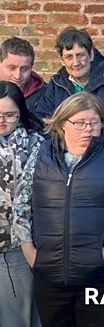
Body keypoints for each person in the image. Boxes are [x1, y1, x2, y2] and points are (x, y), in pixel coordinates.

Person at [13, 91, 104, 327]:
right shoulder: (41, 156)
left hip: (100, 277)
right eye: (80, 123)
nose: (88, 129)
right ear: (62, 124)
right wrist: (31, 254)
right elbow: (21, 205)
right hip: (49, 275)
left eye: (94, 122)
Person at [36, 26, 104, 147]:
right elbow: (44, 124)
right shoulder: (56, 84)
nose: (76, 63)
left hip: (101, 154)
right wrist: (63, 150)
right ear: (62, 60)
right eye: (69, 57)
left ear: (91, 55)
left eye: (80, 55)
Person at [0, 81, 44, 327]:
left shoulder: (36, 144)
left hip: (20, 244)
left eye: (10, 115)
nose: (2, 121)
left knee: (20, 314)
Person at [0, 36, 46, 113]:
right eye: (12, 68)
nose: (17, 76)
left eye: (24, 69)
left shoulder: (46, 96)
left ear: (31, 67)